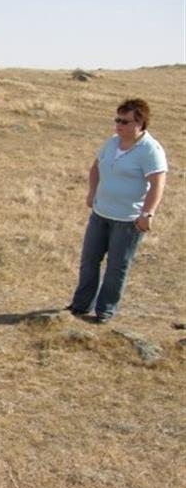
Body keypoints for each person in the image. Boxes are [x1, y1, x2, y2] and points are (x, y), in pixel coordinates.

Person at [67, 98, 167, 324]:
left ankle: (105, 311)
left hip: (128, 221)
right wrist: (92, 194)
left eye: (125, 121)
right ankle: (80, 305)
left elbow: (157, 184)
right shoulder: (112, 143)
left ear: (140, 124)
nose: (119, 125)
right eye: (117, 120)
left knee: (116, 267)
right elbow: (96, 167)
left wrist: (147, 213)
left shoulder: (150, 150)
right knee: (89, 260)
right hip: (101, 214)